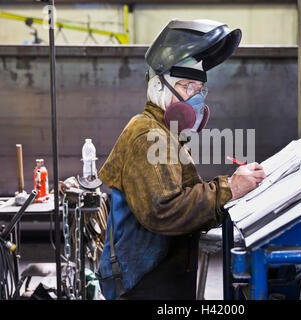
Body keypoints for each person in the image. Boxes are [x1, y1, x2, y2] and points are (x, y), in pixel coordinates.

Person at [96, 19, 266, 300]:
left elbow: (184, 197)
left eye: (200, 90)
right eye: (188, 87)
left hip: (159, 273)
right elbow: (165, 211)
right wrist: (229, 188)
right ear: (160, 88)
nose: (196, 99)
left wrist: (230, 194)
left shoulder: (166, 133)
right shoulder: (148, 135)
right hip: (142, 282)